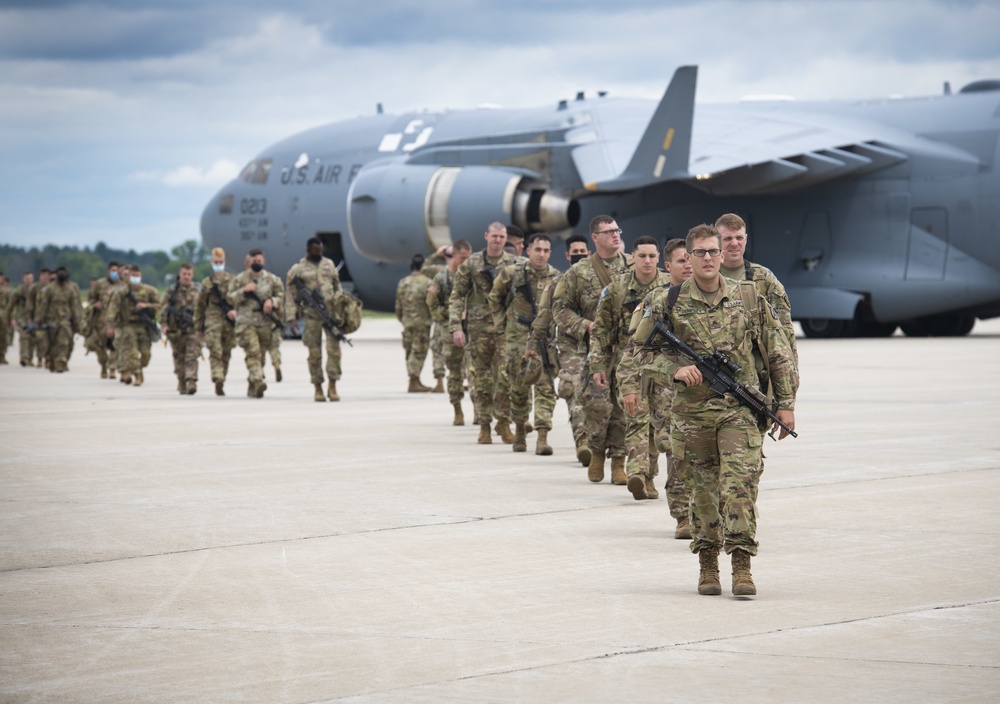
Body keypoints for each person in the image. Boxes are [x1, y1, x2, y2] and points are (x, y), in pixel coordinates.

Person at [636, 224, 797, 597]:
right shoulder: (668, 300)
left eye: (713, 251)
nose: (708, 258)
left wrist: (786, 405)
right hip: (691, 415)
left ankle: (742, 564)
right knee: (703, 492)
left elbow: (778, 351)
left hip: (739, 408)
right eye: (700, 253)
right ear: (688, 259)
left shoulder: (751, 296)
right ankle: (708, 565)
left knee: (740, 484)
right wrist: (673, 369)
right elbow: (639, 352)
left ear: (723, 255)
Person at [618, 239, 695, 531]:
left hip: (710, 391)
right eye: (682, 260)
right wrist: (629, 387)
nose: (689, 264)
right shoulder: (657, 300)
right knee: (676, 451)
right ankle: (683, 515)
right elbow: (633, 349)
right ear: (669, 265)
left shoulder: (718, 295)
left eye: (692, 258)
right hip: (666, 390)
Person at [552, 215, 632, 483]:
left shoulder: (634, 266)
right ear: (595, 238)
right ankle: (597, 450)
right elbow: (560, 309)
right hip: (594, 351)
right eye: (608, 231)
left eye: (617, 230)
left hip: (626, 351)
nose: (615, 234)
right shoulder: (579, 272)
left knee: (622, 407)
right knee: (596, 406)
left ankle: (619, 461)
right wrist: (584, 325)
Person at [591, 236, 671, 491]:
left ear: (659, 258)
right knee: (635, 417)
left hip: (661, 367)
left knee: (657, 425)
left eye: (651, 256)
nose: (647, 261)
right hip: (628, 365)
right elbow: (601, 329)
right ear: (633, 258)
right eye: (642, 256)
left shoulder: (670, 288)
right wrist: (598, 365)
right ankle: (636, 471)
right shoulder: (617, 289)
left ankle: (648, 475)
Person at [490, 234, 560, 454]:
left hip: (545, 340)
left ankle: (542, 436)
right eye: (537, 250)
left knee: (546, 388)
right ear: (528, 251)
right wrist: (502, 326)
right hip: (518, 338)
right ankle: (520, 430)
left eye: (546, 251)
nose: (541, 255)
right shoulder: (512, 274)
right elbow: (495, 298)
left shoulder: (557, 277)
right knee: (518, 387)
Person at [448, 222, 517, 444]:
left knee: (505, 377)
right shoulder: (472, 264)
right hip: (479, 330)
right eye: (494, 236)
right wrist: (456, 326)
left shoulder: (514, 264)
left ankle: (504, 422)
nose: (498, 240)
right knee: (482, 379)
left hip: (505, 329)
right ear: (486, 236)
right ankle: (485, 425)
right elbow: (457, 295)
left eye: (502, 237)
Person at [531, 234, 591, 464]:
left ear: (589, 253)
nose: (578, 256)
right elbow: (544, 316)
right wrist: (532, 344)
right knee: (572, 390)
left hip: (599, 347)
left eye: (582, 252)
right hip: (570, 347)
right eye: (574, 253)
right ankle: (581, 440)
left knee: (598, 399)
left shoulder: (601, 280)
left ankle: (599, 443)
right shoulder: (557, 283)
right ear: (567, 256)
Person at [284, 238, 344, 401]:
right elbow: (290, 294)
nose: (319, 254)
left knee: (334, 352)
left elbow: (338, 287)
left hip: (330, 314)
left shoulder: (329, 265)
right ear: (308, 249)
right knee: (314, 353)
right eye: (316, 251)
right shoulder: (298, 269)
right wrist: (291, 318)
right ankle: (317, 387)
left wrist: (340, 308)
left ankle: (332, 386)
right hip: (311, 316)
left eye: (321, 251)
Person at [427, 240, 473, 424]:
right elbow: (432, 304)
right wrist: (449, 318)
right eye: (462, 258)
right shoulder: (442, 278)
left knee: (476, 372)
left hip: (473, 329)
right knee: (454, 371)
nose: (466, 261)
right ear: (453, 255)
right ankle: (457, 409)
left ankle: (479, 410)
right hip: (451, 331)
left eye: (468, 258)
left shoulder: (473, 276)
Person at [228, 249, 283, 398]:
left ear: (263, 262)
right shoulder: (240, 280)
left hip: (265, 324)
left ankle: (252, 383)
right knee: (253, 352)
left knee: (261, 356)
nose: (257, 263)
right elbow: (229, 298)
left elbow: (281, 295)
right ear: (249, 262)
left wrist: (272, 301)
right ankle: (258, 381)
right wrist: (243, 292)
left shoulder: (272, 280)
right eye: (254, 261)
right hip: (246, 323)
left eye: (259, 261)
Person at [105, 264, 160, 386]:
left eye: (137, 275)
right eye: (133, 276)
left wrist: (146, 306)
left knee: (146, 354)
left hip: (144, 326)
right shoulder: (121, 293)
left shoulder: (149, 291)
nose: (135, 278)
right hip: (128, 326)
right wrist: (110, 326)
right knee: (132, 352)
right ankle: (137, 375)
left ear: (141, 276)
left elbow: (159, 306)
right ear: (129, 277)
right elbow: (112, 309)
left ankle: (138, 368)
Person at [195, 248, 237, 396]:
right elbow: (200, 306)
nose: (218, 264)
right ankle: (217, 377)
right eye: (216, 262)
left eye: (220, 262)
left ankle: (222, 377)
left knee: (226, 352)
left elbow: (239, 301)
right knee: (215, 351)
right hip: (212, 320)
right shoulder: (207, 283)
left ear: (224, 262)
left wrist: (235, 311)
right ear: (211, 263)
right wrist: (198, 328)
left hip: (229, 321)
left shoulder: (232, 281)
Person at [394, 253, 435, 393]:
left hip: (407, 322)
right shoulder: (428, 283)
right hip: (422, 322)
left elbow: (398, 305)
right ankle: (414, 380)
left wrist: (403, 318)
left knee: (409, 350)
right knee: (419, 351)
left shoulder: (403, 282)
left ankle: (415, 380)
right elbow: (431, 303)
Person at [160, 263, 201, 395]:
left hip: (193, 330)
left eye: (189, 274)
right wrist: (164, 325)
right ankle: (182, 381)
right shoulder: (172, 291)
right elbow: (163, 309)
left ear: (192, 275)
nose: (187, 277)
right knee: (179, 358)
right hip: (176, 331)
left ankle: (191, 381)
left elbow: (204, 309)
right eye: (184, 274)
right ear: (180, 274)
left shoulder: (198, 290)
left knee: (192, 356)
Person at [35, 266, 83, 373]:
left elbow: (74, 306)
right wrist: (39, 320)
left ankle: (60, 363)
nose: (62, 274)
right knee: (51, 344)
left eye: (63, 273)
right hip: (51, 321)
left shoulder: (71, 289)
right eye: (59, 273)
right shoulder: (50, 289)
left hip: (65, 320)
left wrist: (77, 322)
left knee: (63, 342)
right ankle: (52, 361)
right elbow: (43, 305)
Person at [84, 262, 120, 378]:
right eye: (113, 270)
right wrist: (94, 306)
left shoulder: (123, 285)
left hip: (116, 320)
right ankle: (104, 365)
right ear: (108, 271)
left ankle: (113, 368)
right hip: (100, 320)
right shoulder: (99, 284)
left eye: (117, 270)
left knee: (115, 344)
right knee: (100, 346)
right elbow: (91, 301)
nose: (115, 273)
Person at [7, 272, 34, 366]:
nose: (28, 280)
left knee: (32, 339)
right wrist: (9, 317)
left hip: (32, 317)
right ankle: (24, 358)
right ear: (23, 279)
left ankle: (30, 358)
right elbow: (11, 304)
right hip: (21, 317)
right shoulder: (19, 290)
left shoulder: (36, 289)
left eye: (30, 278)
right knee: (23, 337)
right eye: (26, 278)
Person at [28, 268, 51, 368]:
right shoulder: (35, 288)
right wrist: (30, 317)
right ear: (39, 276)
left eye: (47, 276)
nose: (45, 278)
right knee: (39, 339)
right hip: (38, 318)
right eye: (43, 276)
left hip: (50, 317)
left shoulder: (52, 287)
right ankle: (40, 359)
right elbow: (30, 303)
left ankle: (48, 359)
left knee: (50, 340)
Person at [0, 273, 11, 364]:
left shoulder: (7, 291)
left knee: (4, 337)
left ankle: (2, 356)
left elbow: (10, 305)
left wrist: (10, 317)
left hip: (3, 315)